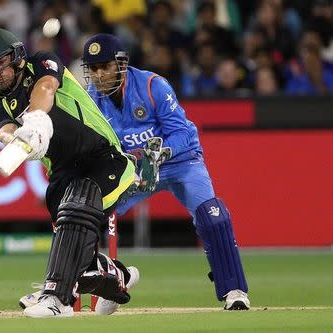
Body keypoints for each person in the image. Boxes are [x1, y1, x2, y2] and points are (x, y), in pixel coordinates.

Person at [0, 28, 140, 318]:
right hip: (62, 174)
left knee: (77, 206)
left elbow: (46, 88)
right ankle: (117, 277)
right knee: (83, 266)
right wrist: (19, 140)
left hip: (102, 156)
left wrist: (37, 120)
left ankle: (56, 298)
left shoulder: (42, 63)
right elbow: (6, 131)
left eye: (2, 62)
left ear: (17, 56)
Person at [81, 33, 251, 312]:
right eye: (94, 68)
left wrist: (162, 154)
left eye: (105, 67)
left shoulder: (153, 86)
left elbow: (181, 132)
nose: (99, 75)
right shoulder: (92, 99)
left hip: (180, 162)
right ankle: (111, 285)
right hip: (134, 169)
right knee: (88, 213)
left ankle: (234, 290)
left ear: (120, 65)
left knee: (213, 216)